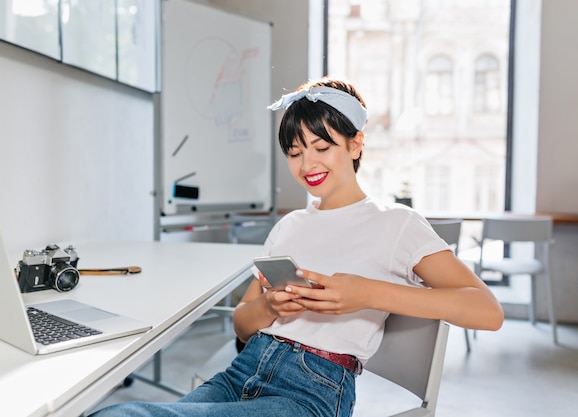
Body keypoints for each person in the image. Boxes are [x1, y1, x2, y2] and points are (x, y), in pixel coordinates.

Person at [90, 77, 503, 417]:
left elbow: (487, 311)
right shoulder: (289, 227)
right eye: (294, 152)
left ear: (355, 145)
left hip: (311, 393)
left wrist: (368, 293)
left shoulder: (396, 223)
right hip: (242, 373)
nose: (307, 166)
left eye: (322, 148)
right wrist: (270, 308)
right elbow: (243, 324)